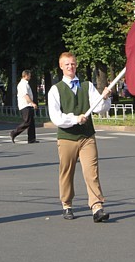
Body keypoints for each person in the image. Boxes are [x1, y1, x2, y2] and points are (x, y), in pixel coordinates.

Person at [47, 52, 111, 222]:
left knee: (92, 172)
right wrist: (75, 119)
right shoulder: (56, 89)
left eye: (73, 64)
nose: (71, 67)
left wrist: (105, 98)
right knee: (66, 172)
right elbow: (56, 117)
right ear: (61, 67)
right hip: (67, 137)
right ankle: (66, 204)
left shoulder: (87, 85)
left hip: (87, 136)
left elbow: (99, 108)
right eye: (67, 64)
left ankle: (97, 206)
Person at [10, 70, 39, 143]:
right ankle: (14, 132)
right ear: (25, 75)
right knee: (27, 122)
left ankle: (31, 139)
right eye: (29, 75)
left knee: (31, 122)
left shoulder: (25, 84)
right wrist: (32, 103)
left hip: (27, 105)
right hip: (25, 105)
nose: (30, 76)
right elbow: (26, 95)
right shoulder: (23, 84)